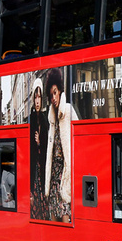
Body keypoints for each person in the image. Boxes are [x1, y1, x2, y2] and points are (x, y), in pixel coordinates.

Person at [45, 68, 77, 223]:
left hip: (65, 171)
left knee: (65, 210)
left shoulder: (69, 111)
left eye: (55, 93)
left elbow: (78, 139)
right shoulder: (51, 119)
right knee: (53, 212)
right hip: (54, 174)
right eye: (51, 95)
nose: (53, 98)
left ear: (60, 91)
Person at [30, 77, 49, 220]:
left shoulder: (44, 119)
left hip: (41, 166)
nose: (37, 101)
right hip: (33, 167)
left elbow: (46, 147)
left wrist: (39, 143)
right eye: (35, 97)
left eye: (39, 97)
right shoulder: (30, 119)